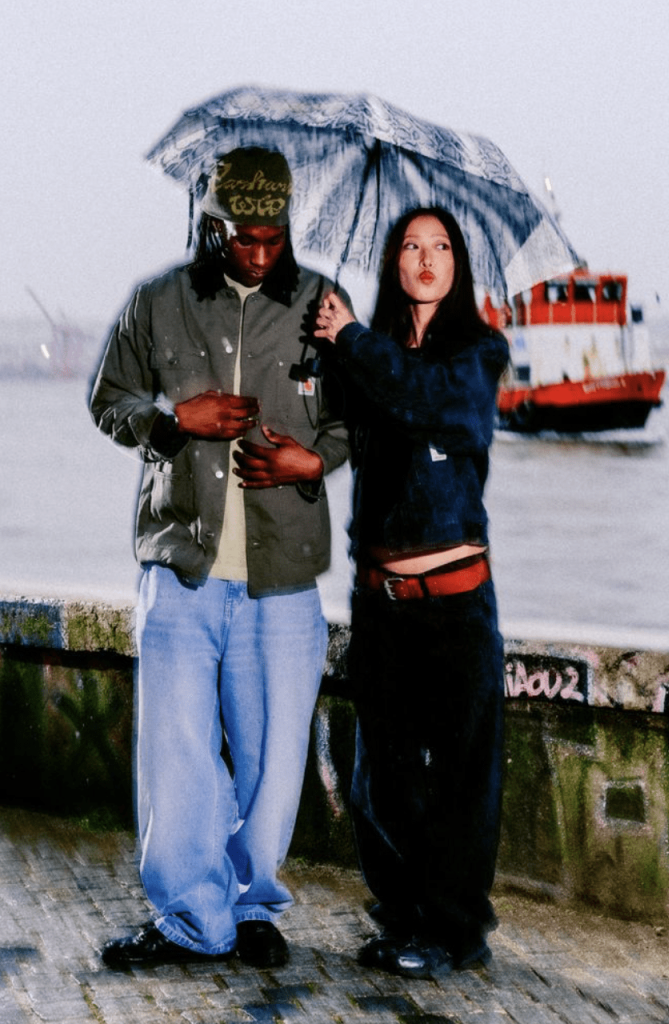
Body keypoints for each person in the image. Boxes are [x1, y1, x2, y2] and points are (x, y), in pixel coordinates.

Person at [90, 147, 349, 970]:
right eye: (244, 237)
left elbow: (357, 416)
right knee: (177, 756)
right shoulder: (157, 302)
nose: (261, 252)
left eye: (274, 237)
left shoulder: (322, 307)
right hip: (180, 568)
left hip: (283, 580)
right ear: (213, 225)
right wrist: (174, 420)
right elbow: (108, 398)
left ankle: (251, 905)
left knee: (274, 763)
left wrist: (314, 459)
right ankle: (190, 921)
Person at [315, 207, 509, 980]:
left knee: (462, 777)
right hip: (381, 604)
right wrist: (328, 352)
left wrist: (354, 340)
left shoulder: (479, 354)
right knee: (382, 777)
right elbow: (337, 428)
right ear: (393, 264)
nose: (426, 258)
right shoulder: (372, 355)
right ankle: (404, 918)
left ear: (458, 264)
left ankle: (457, 932)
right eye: (410, 246)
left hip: (457, 605)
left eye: (441, 246)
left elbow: (435, 404)